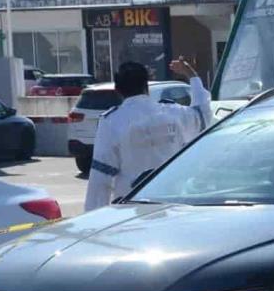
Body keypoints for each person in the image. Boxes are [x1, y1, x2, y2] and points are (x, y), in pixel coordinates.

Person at [84, 58, 213, 211]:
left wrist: (93, 218)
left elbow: (101, 177)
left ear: (117, 90)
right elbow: (203, 114)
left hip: (131, 208)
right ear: (147, 87)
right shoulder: (172, 113)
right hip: (173, 204)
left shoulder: (111, 121)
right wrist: (191, 75)